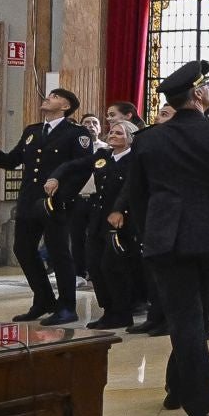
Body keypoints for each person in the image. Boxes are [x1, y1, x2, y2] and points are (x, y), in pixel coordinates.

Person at [109, 58, 209, 416]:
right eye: (207, 88)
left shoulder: (148, 139)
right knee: (195, 315)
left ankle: (177, 388)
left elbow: (138, 195)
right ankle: (199, 406)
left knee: (186, 317)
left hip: (166, 240)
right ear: (198, 94)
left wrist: (150, 234)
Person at [0, 87, 94, 325]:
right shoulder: (32, 131)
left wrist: (63, 196)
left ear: (65, 106)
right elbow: (13, 161)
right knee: (22, 249)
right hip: (30, 201)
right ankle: (43, 300)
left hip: (56, 204)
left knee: (59, 253)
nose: (47, 97)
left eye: (54, 96)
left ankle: (67, 307)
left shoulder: (76, 133)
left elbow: (82, 167)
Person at [80, 120, 139, 330]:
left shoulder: (134, 160)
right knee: (95, 265)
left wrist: (120, 211)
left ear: (130, 138)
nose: (112, 135)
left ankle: (122, 311)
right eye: (112, 132)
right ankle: (108, 309)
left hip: (121, 221)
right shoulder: (103, 157)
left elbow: (130, 190)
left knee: (112, 266)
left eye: (119, 133)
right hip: (98, 219)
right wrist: (57, 176)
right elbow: (78, 166)